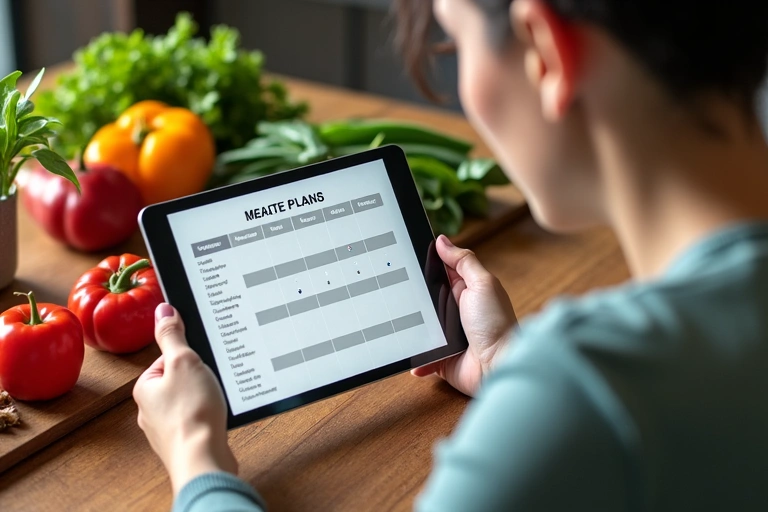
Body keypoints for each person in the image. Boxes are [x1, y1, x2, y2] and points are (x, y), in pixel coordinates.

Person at [133, 0, 768, 510]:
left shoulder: (590, 389)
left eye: (453, 42)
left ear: (545, 52)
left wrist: (198, 463)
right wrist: (502, 363)